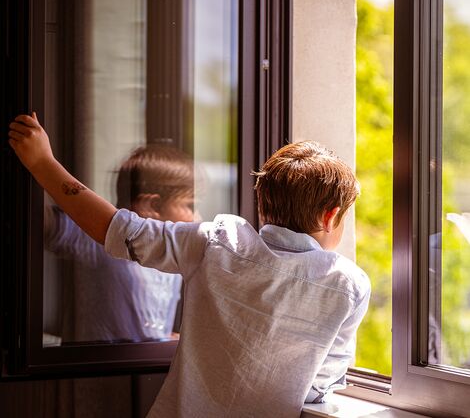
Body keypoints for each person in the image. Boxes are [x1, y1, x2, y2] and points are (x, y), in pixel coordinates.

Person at [9, 113, 371, 418]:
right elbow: (320, 384)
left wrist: (42, 163)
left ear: (262, 207)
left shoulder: (219, 242)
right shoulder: (348, 285)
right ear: (331, 216)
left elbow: (118, 229)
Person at [45, 144, 198, 343]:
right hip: (104, 370)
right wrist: (42, 162)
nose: (196, 217)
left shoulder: (174, 257)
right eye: (190, 205)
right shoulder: (96, 240)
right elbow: (43, 221)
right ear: (153, 205)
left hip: (148, 371)